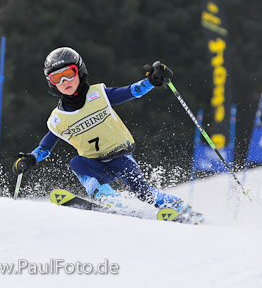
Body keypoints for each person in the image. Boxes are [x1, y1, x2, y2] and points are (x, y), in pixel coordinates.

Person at [12, 47, 195, 216]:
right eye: (56, 78)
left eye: (69, 74)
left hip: (120, 157)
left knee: (143, 192)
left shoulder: (99, 94)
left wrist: (151, 81)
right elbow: (46, 145)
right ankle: (110, 201)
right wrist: (31, 158)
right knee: (77, 163)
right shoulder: (58, 119)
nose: (64, 81)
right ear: (51, 83)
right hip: (95, 164)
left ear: (80, 71)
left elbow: (131, 91)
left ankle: (181, 209)